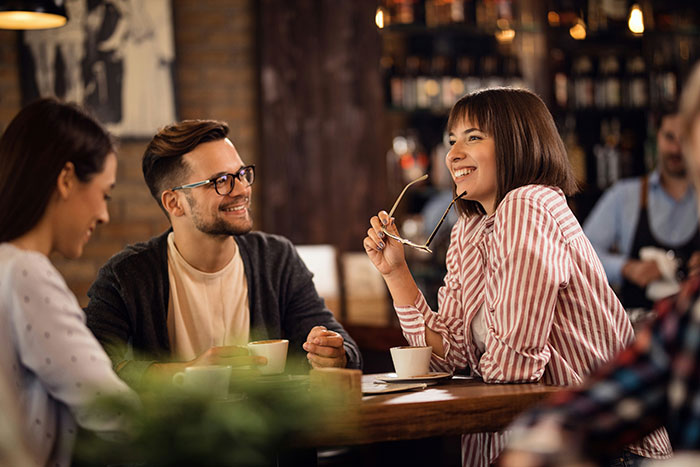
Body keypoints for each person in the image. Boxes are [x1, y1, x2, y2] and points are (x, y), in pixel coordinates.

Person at [363, 87, 670, 466]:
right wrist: (396, 273)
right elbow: (448, 358)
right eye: (451, 140)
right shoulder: (470, 228)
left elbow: (512, 368)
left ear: (516, 142)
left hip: (602, 449)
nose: (453, 154)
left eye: (473, 137)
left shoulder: (528, 205)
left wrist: (477, 363)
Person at [501, 61, 700, 467]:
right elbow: (594, 406)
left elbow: (513, 360)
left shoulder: (526, 204)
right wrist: (543, 440)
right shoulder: (690, 314)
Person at [84, 119, 361, 388]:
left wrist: (333, 354)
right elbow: (92, 371)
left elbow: (346, 350)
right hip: (170, 435)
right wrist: (189, 373)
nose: (242, 189)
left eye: (242, 175)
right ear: (174, 202)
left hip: (269, 432)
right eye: (221, 181)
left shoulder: (276, 258)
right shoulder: (126, 276)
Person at [0, 98, 138, 467]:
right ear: (65, 180)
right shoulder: (26, 273)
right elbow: (110, 408)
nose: (105, 215)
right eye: (104, 194)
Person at [584, 105, 700, 310]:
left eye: (684, 139)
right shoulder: (624, 195)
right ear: (657, 138)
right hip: (640, 330)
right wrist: (626, 268)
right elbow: (582, 253)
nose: (676, 149)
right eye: (669, 137)